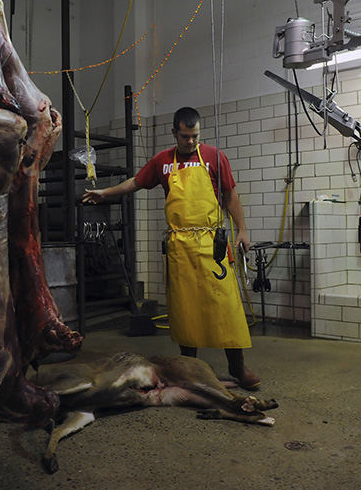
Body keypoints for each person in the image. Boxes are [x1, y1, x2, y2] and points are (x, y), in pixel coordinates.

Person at [82, 106, 259, 389]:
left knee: (226, 306)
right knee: (185, 310)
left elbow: (230, 194)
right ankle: (188, 370)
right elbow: (136, 183)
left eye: (195, 136)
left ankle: (237, 368)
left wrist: (243, 229)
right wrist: (105, 192)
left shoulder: (214, 156)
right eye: (185, 136)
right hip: (180, 245)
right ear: (174, 132)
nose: (191, 142)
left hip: (211, 243)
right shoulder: (163, 161)